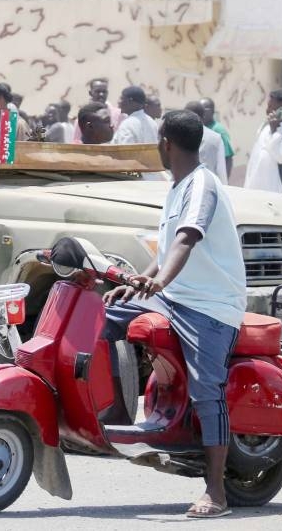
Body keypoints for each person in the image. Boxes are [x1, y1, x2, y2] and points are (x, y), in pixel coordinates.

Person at [103, 109, 245, 519]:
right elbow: (167, 251)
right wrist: (137, 282)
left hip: (210, 305)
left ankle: (216, 492)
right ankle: (115, 419)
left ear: (165, 143)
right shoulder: (178, 185)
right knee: (105, 317)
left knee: (206, 389)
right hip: (175, 295)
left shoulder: (202, 186)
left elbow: (187, 238)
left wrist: (160, 283)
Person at [243, 89, 282, 193]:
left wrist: (275, 132)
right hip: (254, 188)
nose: (267, 110)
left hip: (274, 192)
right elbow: (254, 158)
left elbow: (281, 157)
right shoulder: (265, 126)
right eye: (268, 106)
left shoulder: (279, 130)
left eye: (271, 107)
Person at [185, 101, 227, 183]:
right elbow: (221, 170)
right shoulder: (215, 138)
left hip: (184, 186)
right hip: (207, 186)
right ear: (203, 116)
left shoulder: (177, 135)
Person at [74, 78, 123, 142]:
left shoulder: (118, 114)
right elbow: (77, 141)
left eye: (104, 92)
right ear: (90, 93)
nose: (101, 94)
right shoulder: (84, 116)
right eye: (98, 91)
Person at [199, 98, 234, 177]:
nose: (200, 112)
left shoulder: (218, 130)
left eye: (203, 109)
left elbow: (228, 158)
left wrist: (225, 183)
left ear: (212, 111)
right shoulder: (200, 128)